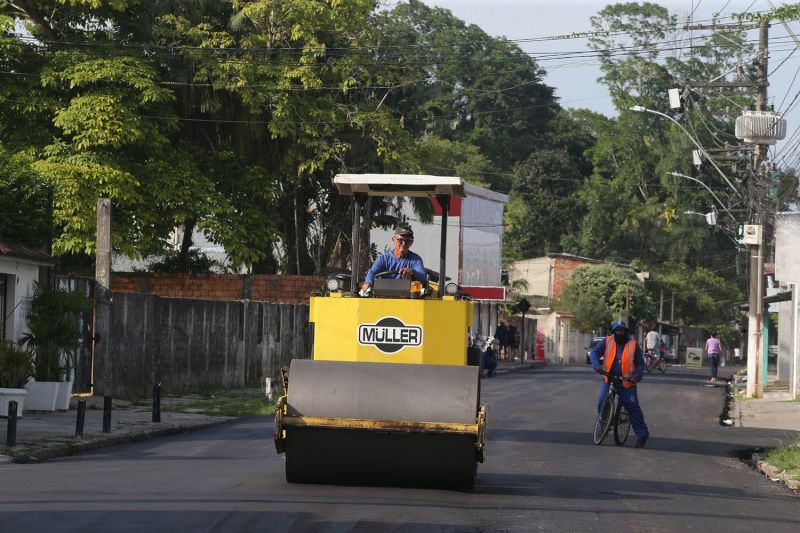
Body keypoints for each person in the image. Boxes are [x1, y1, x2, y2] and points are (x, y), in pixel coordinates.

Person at [590, 320, 650, 448]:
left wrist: (636, 377)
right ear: (613, 332)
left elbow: (640, 363)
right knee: (601, 402)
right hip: (609, 379)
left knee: (633, 407)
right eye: (617, 331)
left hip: (627, 382)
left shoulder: (633, 345)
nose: (620, 333)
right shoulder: (607, 341)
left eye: (622, 330)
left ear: (625, 331)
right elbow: (594, 353)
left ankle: (642, 435)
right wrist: (596, 366)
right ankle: (604, 424)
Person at [361, 226, 427, 295]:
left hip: (407, 298)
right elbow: (372, 272)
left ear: (411, 243)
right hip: (384, 296)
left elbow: (423, 277)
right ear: (393, 239)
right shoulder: (383, 259)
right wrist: (368, 283)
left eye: (407, 241)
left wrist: (412, 271)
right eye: (400, 240)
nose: (404, 243)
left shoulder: (416, 260)